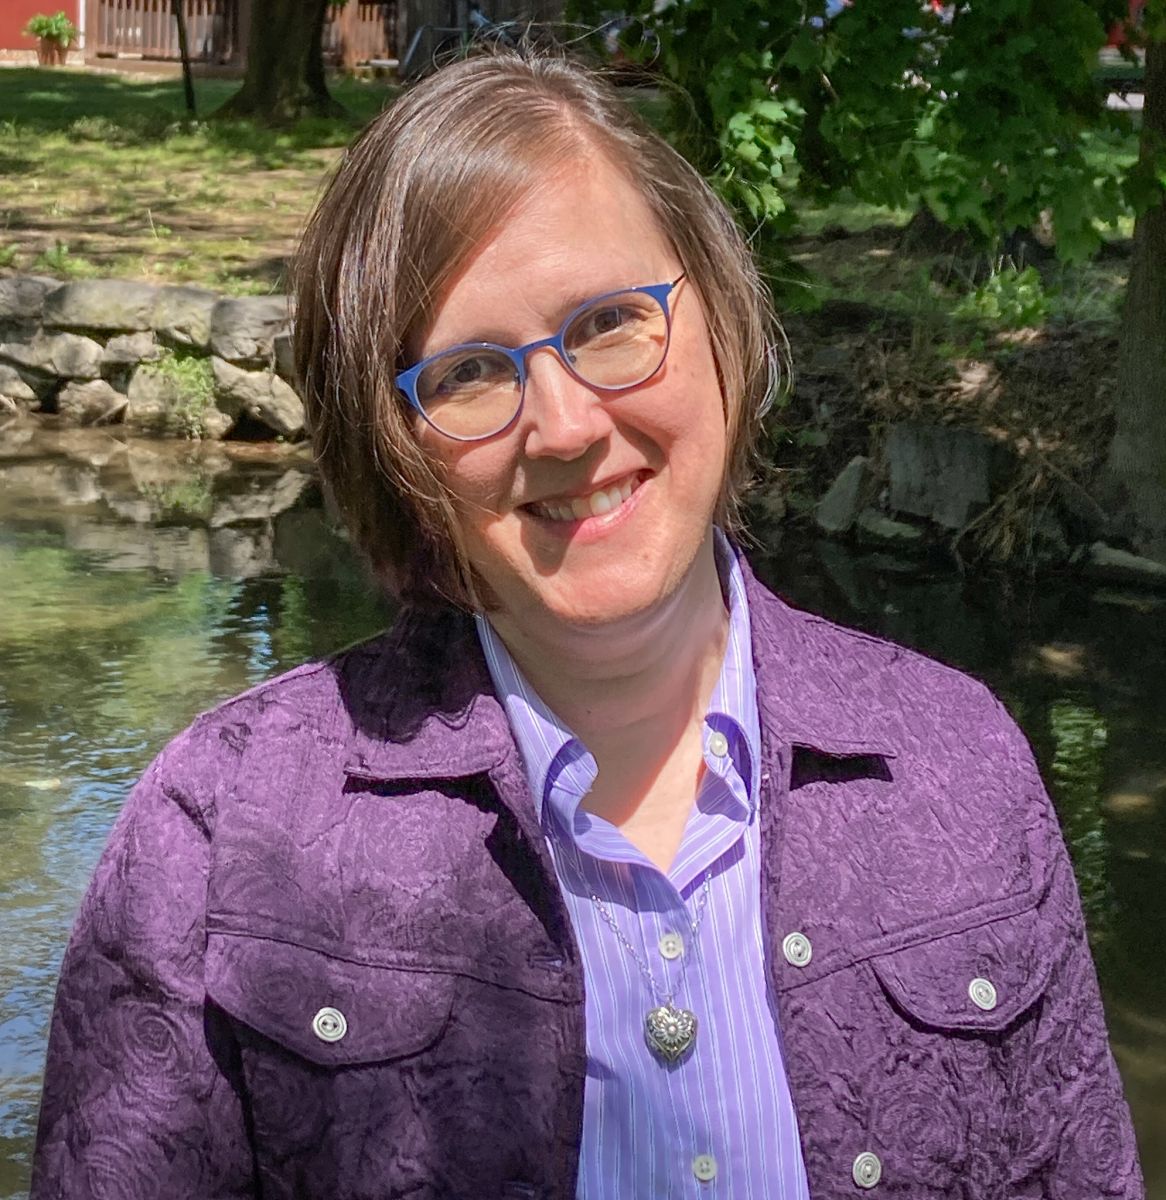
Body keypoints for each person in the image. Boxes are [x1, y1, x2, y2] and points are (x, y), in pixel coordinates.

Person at [32, 50, 1143, 1200]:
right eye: (467, 372)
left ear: (720, 314)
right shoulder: (217, 836)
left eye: (609, 321)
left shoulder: (954, 765)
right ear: (389, 444)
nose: (562, 427)